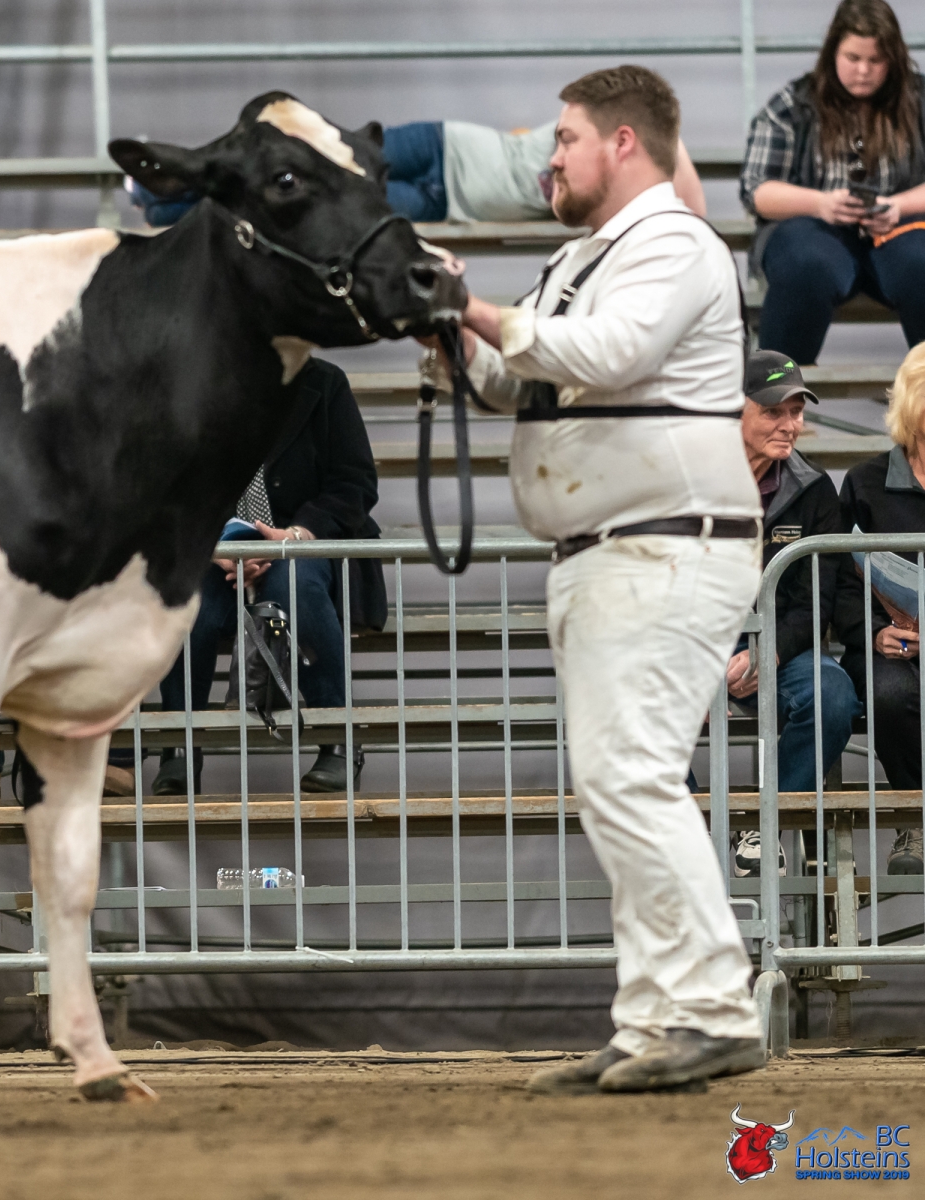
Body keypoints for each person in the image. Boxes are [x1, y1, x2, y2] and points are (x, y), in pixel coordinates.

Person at [425, 66, 767, 1093]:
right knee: (615, 784)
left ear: (623, 141)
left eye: (565, 137)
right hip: (606, 551)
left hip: (666, 543)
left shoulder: (675, 243)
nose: (551, 158)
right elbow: (511, 376)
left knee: (633, 777)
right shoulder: (582, 255)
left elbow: (611, 353)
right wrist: (447, 328)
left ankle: (712, 1009)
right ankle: (652, 1018)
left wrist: (478, 308)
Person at [151, 358, 384, 796]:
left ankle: (338, 741)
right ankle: (178, 749)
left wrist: (293, 536)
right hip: (216, 551)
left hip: (304, 543)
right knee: (185, 599)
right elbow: (169, 489)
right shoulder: (191, 382)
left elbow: (355, 484)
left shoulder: (324, 382)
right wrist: (215, 544)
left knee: (291, 584)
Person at [722, 352, 860, 879]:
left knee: (833, 695)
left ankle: (764, 823)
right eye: (773, 411)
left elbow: (815, 599)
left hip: (780, 645)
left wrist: (769, 653)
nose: (790, 425)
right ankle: (684, 838)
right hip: (693, 643)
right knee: (632, 700)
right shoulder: (687, 482)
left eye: (797, 411)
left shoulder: (815, 489)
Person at [741, 0, 925, 364]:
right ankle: (776, 392)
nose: (863, 71)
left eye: (876, 60)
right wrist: (821, 203)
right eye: (853, 58)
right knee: (805, 266)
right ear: (832, 52)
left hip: (901, 230)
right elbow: (757, 190)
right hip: (815, 230)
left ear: (894, 59)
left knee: (921, 264)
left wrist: (898, 206)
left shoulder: (917, 100)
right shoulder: (794, 104)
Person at [833, 342, 925, 876]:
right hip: (890, 641)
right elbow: (842, 581)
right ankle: (915, 819)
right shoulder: (866, 482)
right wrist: (872, 632)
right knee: (889, 692)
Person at [383, 118, 706, 222]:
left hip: (444, 203)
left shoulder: (601, 198)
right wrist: (669, 142)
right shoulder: (587, 124)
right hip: (441, 145)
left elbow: (693, 217)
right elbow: (662, 134)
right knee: (349, 158)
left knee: (355, 205)